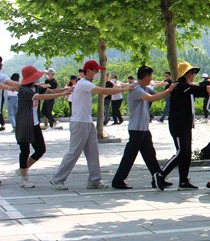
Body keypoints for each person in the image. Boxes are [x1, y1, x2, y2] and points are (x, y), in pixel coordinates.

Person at [50, 60, 134, 190]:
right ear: (88, 71)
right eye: (96, 71)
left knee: (93, 152)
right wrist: (124, 89)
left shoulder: (85, 83)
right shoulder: (83, 83)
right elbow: (102, 91)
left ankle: (94, 180)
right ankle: (57, 179)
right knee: (74, 152)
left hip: (87, 122)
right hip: (79, 123)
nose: (97, 73)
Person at [111, 66, 176, 190]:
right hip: (136, 129)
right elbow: (151, 98)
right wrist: (169, 90)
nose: (151, 78)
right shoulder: (136, 89)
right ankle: (117, 181)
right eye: (150, 76)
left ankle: (158, 178)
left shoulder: (144, 88)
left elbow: (158, 95)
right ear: (146, 76)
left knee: (150, 155)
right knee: (129, 157)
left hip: (143, 129)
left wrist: (171, 90)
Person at [160, 62, 210, 190]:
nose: (194, 75)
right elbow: (201, 90)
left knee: (186, 153)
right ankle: (160, 175)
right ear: (186, 74)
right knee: (181, 152)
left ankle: (183, 180)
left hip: (185, 125)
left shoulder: (187, 86)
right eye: (192, 73)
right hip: (178, 125)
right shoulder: (180, 86)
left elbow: (200, 90)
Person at [14, 66, 71, 188]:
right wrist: (62, 94)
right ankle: (24, 179)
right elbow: (40, 97)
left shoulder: (35, 87)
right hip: (24, 124)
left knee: (40, 149)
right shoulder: (24, 90)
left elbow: (50, 91)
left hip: (34, 124)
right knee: (25, 151)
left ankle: (22, 169)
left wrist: (67, 89)